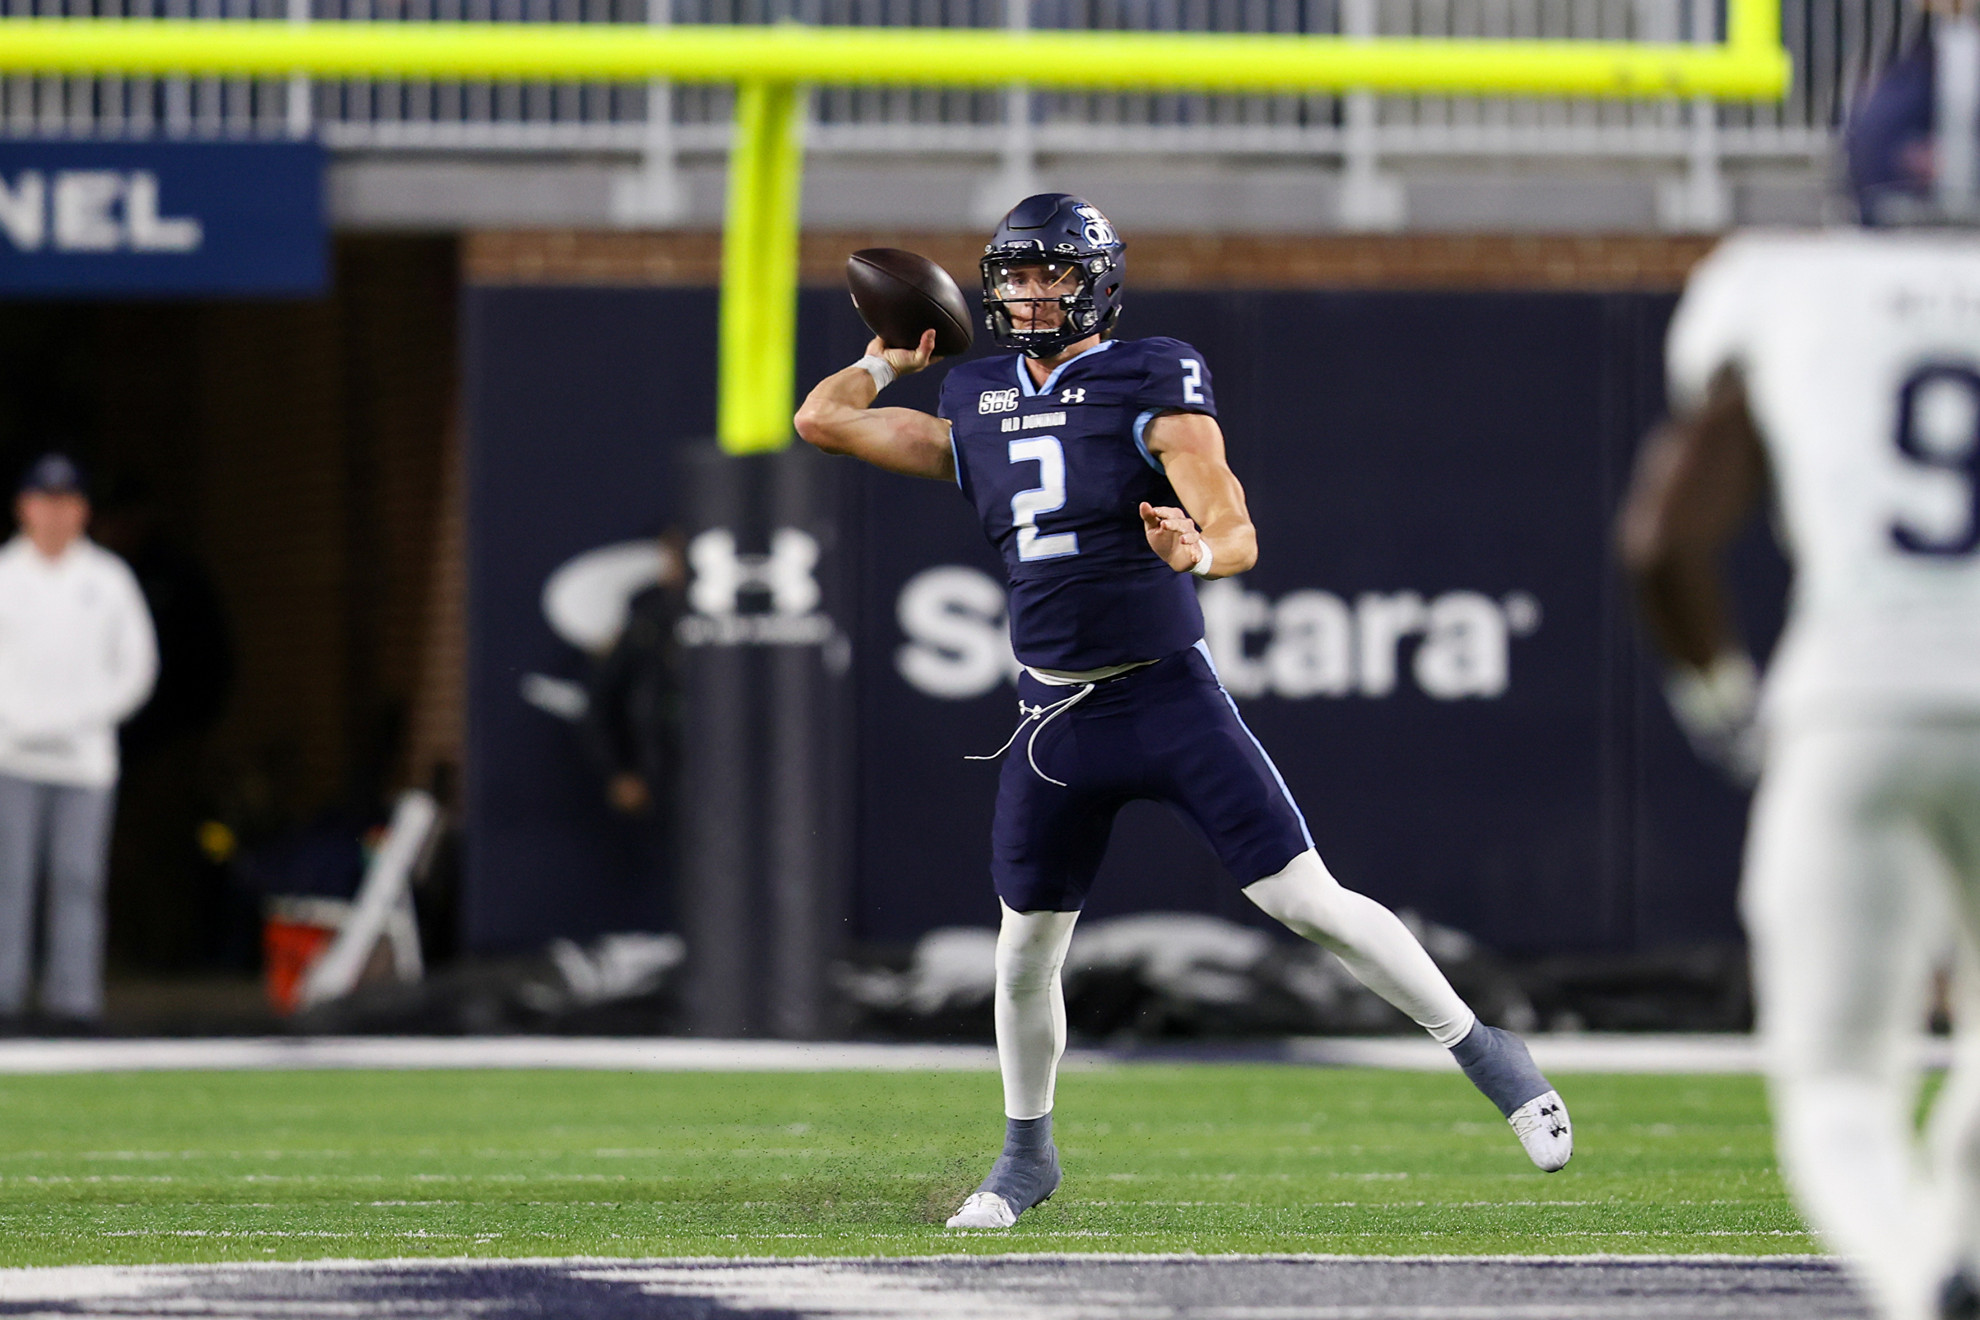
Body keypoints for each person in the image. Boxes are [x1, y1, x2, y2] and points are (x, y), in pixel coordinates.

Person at [795, 193, 1571, 1231]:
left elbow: (1234, 522)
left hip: (1163, 693)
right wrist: (895, 352)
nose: (1031, 295)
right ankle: (1027, 1155)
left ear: (1099, 281)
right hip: (1052, 721)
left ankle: (1487, 1051)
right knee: (1024, 949)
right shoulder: (976, 391)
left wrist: (1197, 551)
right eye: (1015, 277)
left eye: (1052, 275)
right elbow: (823, 420)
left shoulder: (1150, 372)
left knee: (1304, 899)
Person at [1618, 6, 1980, 1315]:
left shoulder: (1782, 281)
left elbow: (1661, 539)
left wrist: (1731, 707)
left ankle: (1921, 1274)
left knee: (1835, 1084)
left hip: (1858, 701)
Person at [0, 454, 157, 1029]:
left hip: (85, 762)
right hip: (10, 757)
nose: (55, 515)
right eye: (44, 502)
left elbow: (137, 666)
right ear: (24, 508)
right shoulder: (5, 576)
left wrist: (84, 718)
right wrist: (17, 720)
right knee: (7, 880)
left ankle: (74, 1007)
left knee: (77, 880)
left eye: (67, 503)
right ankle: (6, 1003)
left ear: (83, 511)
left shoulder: (108, 580)